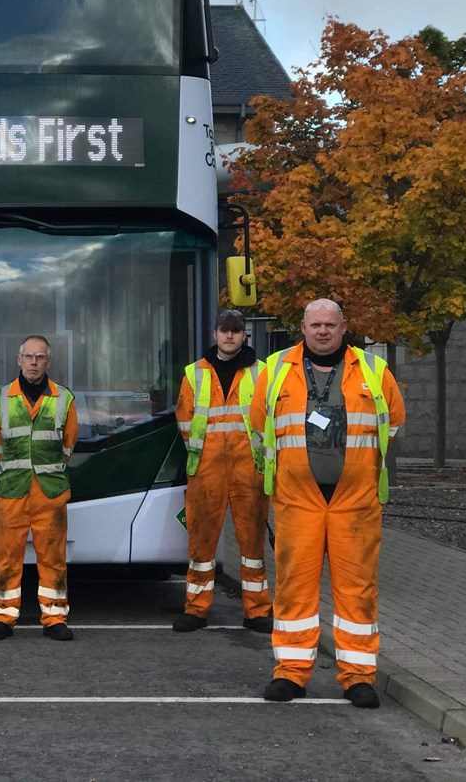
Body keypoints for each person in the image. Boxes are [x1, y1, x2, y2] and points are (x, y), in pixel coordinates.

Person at [250, 299, 405, 709]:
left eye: (330, 325)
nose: (322, 331)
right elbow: (258, 422)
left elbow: (395, 421)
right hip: (297, 498)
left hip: (355, 501)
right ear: (302, 327)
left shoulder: (374, 370)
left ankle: (357, 677)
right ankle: (291, 673)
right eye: (315, 324)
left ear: (343, 327)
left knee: (357, 590)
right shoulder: (275, 369)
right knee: (293, 588)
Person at [173, 309, 271, 634]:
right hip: (205, 469)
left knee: (253, 544)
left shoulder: (264, 373)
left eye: (236, 331)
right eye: (224, 330)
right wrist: (204, 451)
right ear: (215, 334)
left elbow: (271, 420)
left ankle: (256, 612)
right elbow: (184, 418)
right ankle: (196, 610)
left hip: (249, 469)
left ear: (245, 335)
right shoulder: (195, 373)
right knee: (201, 544)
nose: (230, 336)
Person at [0, 335, 79, 642]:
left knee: (53, 558)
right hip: (12, 491)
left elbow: (68, 444)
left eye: (40, 357)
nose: (34, 362)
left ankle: (54, 617)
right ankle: (2, 617)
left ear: (48, 362)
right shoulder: (1, 397)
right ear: (19, 360)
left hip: (49, 492)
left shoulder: (64, 398)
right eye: (28, 356)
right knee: (6, 558)